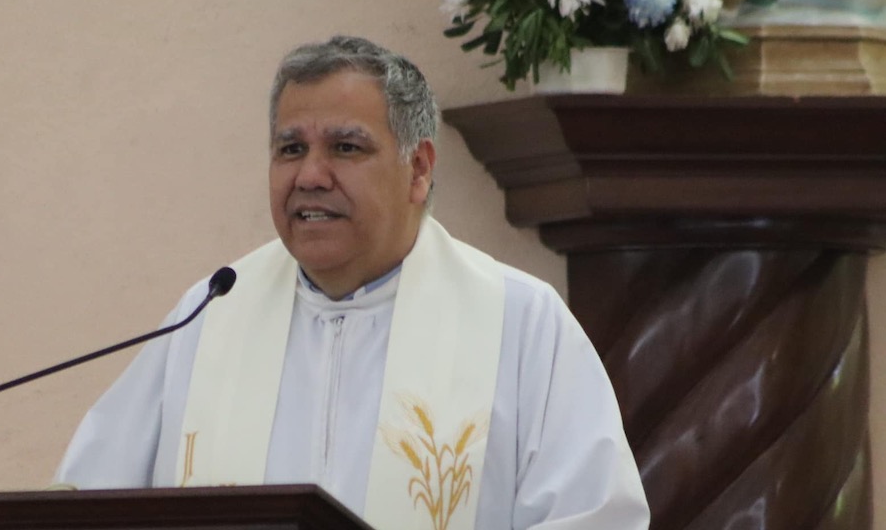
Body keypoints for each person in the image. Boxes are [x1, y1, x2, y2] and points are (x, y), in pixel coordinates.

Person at [54, 36, 649, 530]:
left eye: (345, 147)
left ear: (418, 169)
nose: (310, 175)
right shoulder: (211, 313)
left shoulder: (519, 322)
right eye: (291, 148)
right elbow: (88, 507)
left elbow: (595, 518)